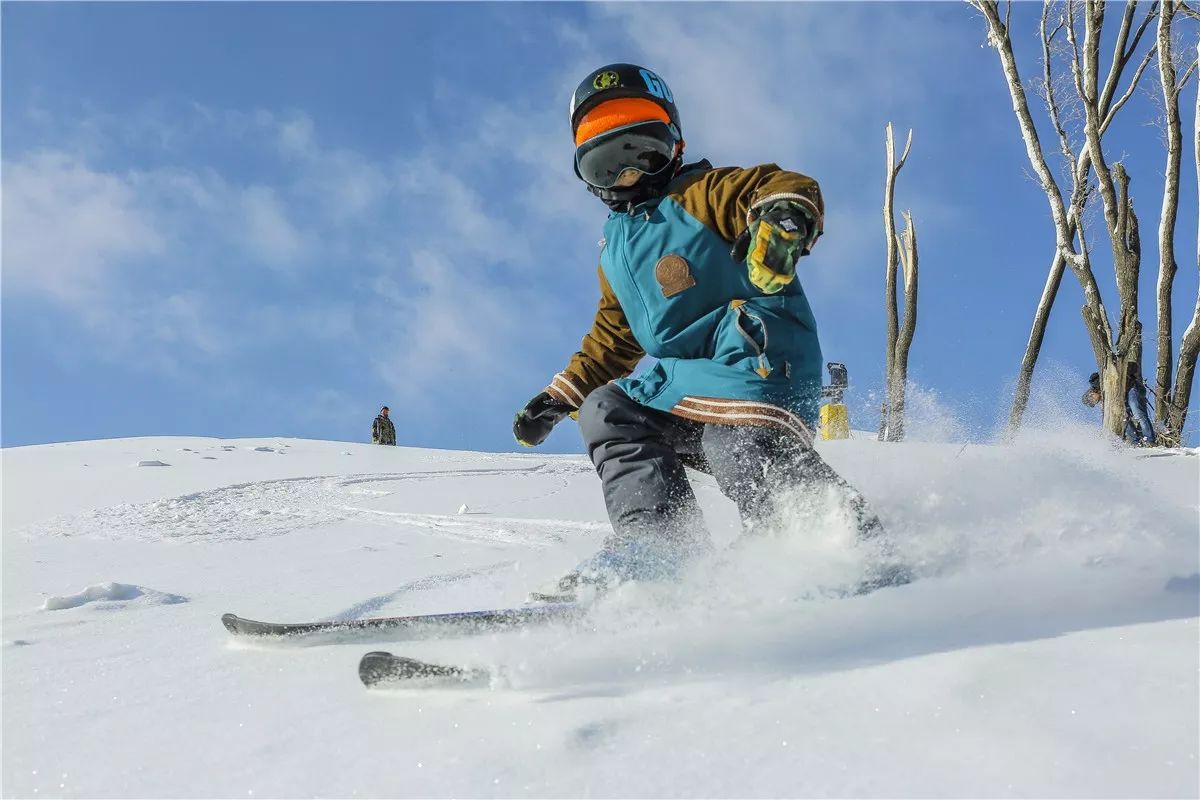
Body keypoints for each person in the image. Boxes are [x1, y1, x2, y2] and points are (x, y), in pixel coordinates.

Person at [513, 63, 902, 601]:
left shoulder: (704, 193)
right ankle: (661, 550)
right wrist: (561, 396)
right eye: (607, 166)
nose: (627, 176)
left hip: (755, 364)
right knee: (608, 409)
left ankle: (835, 536)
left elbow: (781, 185)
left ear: (674, 147)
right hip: (685, 386)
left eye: (641, 153)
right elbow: (613, 335)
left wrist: (781, 219)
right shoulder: (616, 252)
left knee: (733, 441)